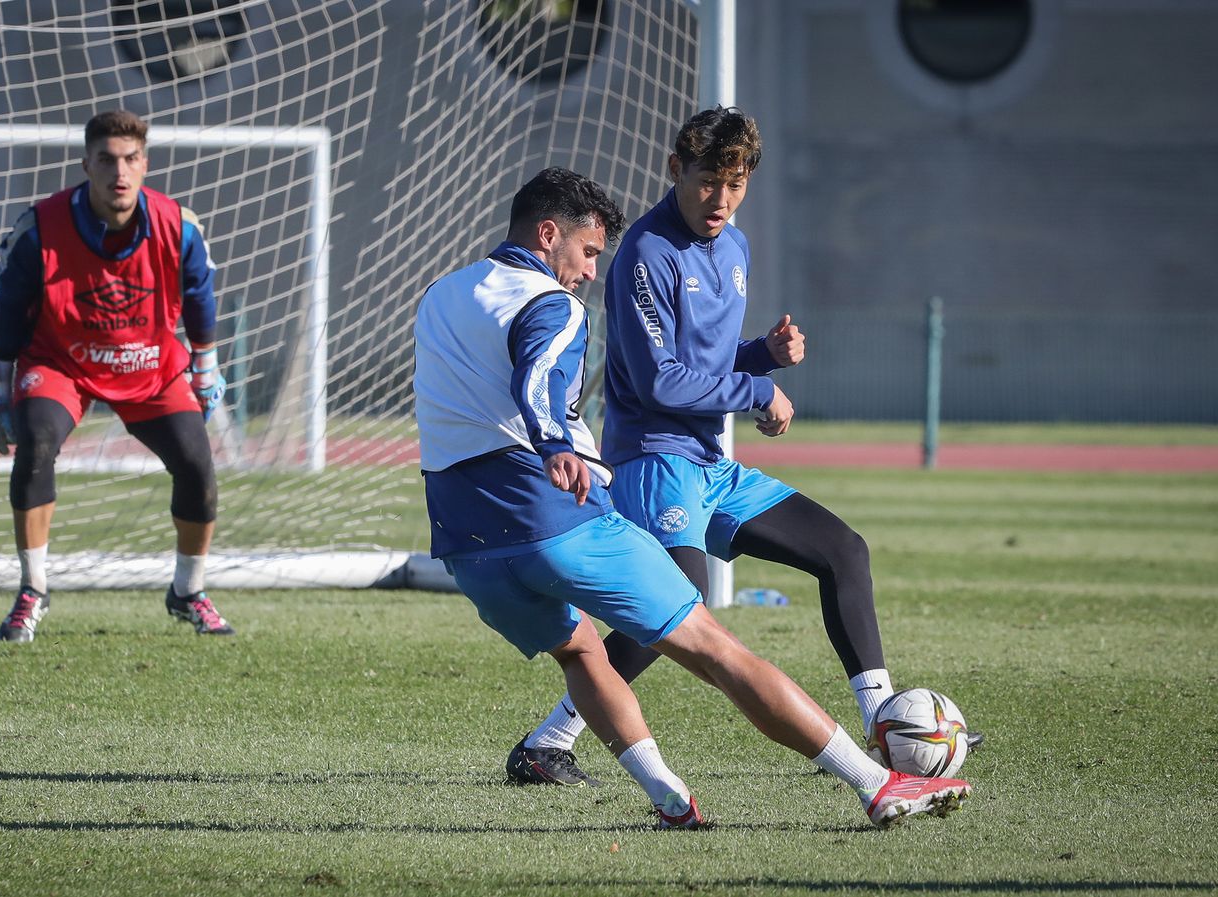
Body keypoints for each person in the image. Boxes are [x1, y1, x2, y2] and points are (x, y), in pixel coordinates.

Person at [415, 166, 970, 827]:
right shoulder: (552, 305)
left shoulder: (439, 295)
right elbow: (536, 381)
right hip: (555, 519)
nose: (590, 272)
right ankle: (878, 783)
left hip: (467, 545)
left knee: (583, 653)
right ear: (546, 233)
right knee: (719, 650)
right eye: (588, 252)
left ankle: (667, 797)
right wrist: (553, 443)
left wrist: (757, 357)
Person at [0, 109, 235, 642]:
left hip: (148, 360)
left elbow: (200, 299)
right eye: (107, 160)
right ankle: (33, 590)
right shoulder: (41, 229)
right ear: (86, 165)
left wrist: (207, 369)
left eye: (130, 159)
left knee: (196, 463)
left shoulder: (178, 226)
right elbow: (8, 308)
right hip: (62, 361)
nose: (119, 172)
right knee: (37, 443)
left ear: (145, 164)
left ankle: (189, 591)